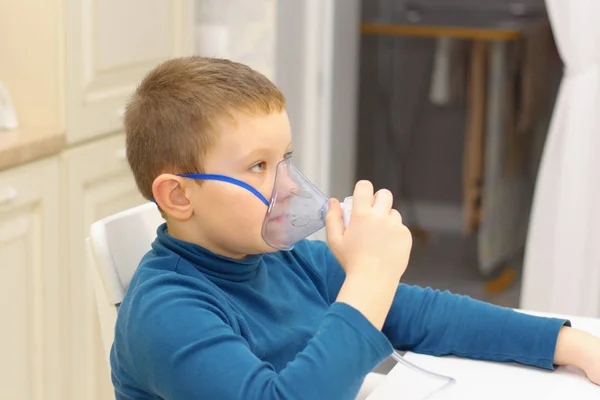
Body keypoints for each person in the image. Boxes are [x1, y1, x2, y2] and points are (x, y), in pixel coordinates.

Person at [111, 56, 600, 400]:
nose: (287, 186)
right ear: (178, 196)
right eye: (257, 166)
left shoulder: (289, 259)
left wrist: (572, 344)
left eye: (284, 159)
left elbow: (424, 315)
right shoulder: (166, 313)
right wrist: (367, 281)